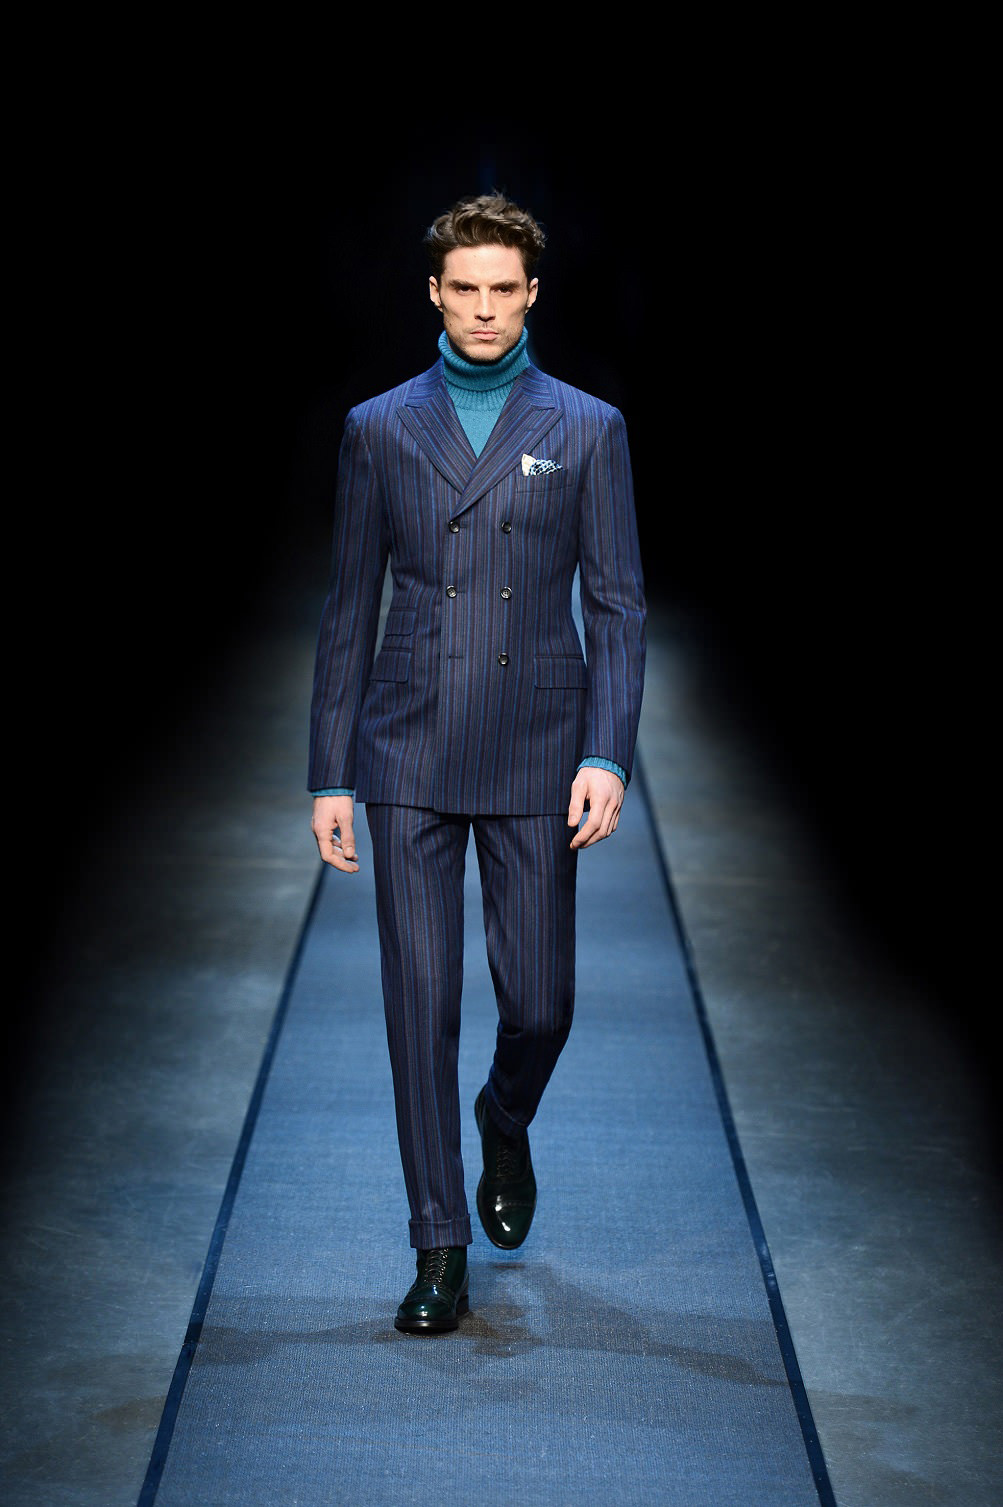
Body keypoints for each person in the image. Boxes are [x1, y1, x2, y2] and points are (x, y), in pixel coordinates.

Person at [308, 193, 645, 1334]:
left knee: (540, 1004)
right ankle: (436, 1244)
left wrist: (607, 751)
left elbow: (618, 604)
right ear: (435, 294)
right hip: (405, 740)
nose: (486, 309)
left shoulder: (588, 427)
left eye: (505, 289)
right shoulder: (378, 428)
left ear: (532, 294)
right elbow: (348, 606)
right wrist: (329, 772)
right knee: (420, 1003)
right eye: (467, 289)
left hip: (538, 746)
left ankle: (505, 1116)